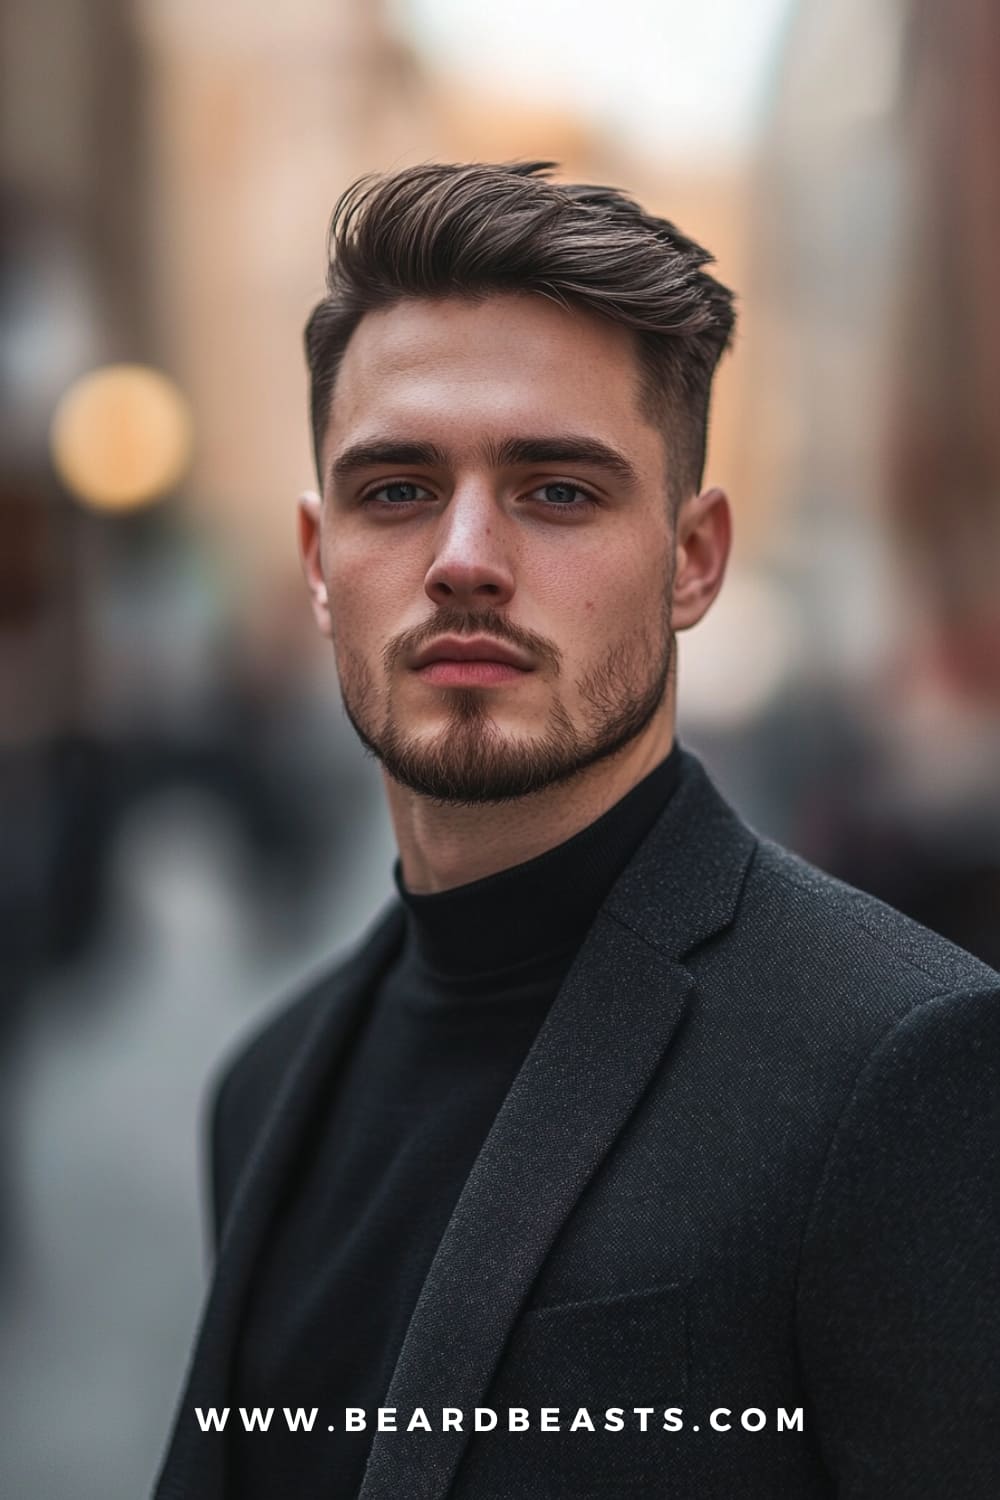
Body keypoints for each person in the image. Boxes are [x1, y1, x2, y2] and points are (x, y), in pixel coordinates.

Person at [153, 161, 1000, 1500]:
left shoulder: (904, 1064)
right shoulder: (261, 1091)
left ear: (694, 558)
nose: (465, 557)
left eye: (556, 490)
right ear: (319, 566)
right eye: (395, 490)